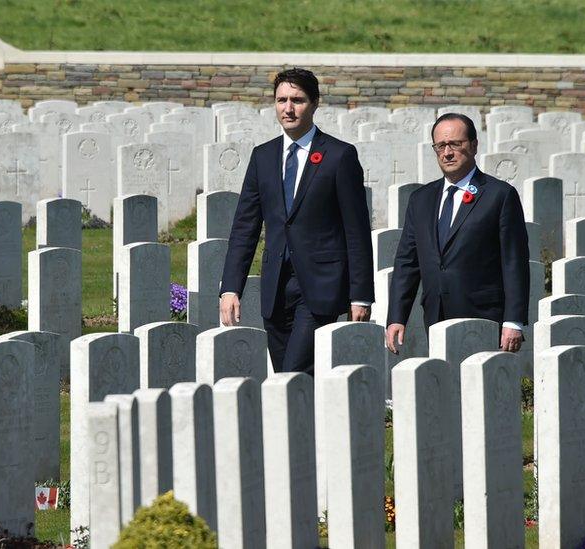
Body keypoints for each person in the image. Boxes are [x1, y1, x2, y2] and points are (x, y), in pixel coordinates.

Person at [219, 67, 374, 374]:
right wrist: (230, 288)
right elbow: (245, 227)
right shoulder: (263, 157)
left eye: (297, 100)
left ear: (314, 103)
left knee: (294, 373)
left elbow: (356, 230)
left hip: (320, 287)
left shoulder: (339, 156)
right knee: (286, 378)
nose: (288, 108)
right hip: (276, 288)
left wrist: (361, 295)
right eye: (281, 100)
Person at [385, 112, 529, 354]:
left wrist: (513, 321)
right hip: (436, 313)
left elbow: (513, 262)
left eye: (455, 144)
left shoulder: (499, 195)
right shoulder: (421, 199)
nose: (447, 152)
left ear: (473, 146)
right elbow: (407, 263)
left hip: (483, 316)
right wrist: (396, 316)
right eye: (440, 146)